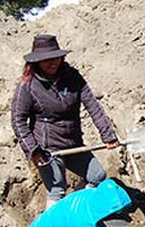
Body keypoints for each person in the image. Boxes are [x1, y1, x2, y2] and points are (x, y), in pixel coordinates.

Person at [11, 34, 119, 209]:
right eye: (46, 60)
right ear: (36, 62)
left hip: (73, 143)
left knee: (97, 176)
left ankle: (74, 209)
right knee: (56, 189)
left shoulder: (73, 76)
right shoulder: (28, 86)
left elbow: (92, 105)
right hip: (47, 149)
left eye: (56, 58)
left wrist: (108, 135)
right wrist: (33, 150)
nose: (52, 63)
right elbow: (18, 120)